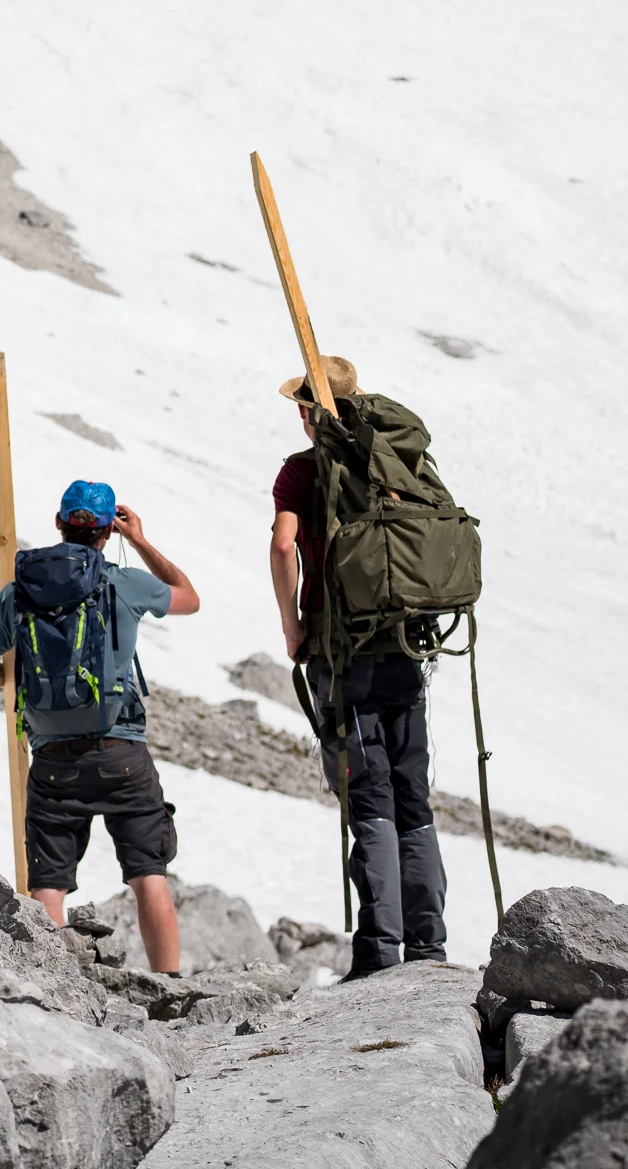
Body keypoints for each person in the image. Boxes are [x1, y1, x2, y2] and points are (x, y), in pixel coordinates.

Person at [0, 480, 200, 973]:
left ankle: (51, 987)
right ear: (108, 531)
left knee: (49, 881)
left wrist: (18, 675)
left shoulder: (18, 591)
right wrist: (142, 542)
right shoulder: (123, 583)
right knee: (148, 871)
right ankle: (170, 987)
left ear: (59, 523)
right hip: (121, 751)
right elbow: (189, 599)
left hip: (52, 762)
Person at [269, 356, 445, 978]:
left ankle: (379, 954)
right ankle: (429, 945)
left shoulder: (301, 472)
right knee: (412, 799)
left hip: (342, 654)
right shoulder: (393, 464)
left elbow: (285, 545)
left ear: (311, 412)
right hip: (404, 644)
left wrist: (294, 628)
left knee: (368, 801)